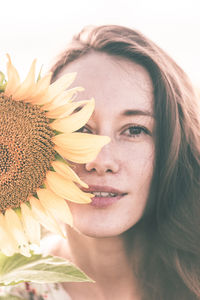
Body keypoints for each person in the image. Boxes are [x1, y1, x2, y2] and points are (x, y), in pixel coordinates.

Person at [4, 25, 200, 300]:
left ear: (172, 146)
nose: (100, 161)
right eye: (79, 129)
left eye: (134, 130)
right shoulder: (12, 289)